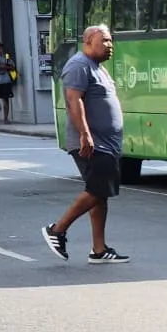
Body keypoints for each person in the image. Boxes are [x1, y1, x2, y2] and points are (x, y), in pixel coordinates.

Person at [42, 25, 129, 264]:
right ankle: (57, 230)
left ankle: (99, 250)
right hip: (92, 143)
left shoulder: (97, 67)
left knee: (100, 194)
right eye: (105, 41)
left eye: (111, 41)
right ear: (88, 41)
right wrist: (85, 134)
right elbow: (74, 100)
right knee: (97, 190)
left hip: (106, 143)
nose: (110, 45)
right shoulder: (79, 65)